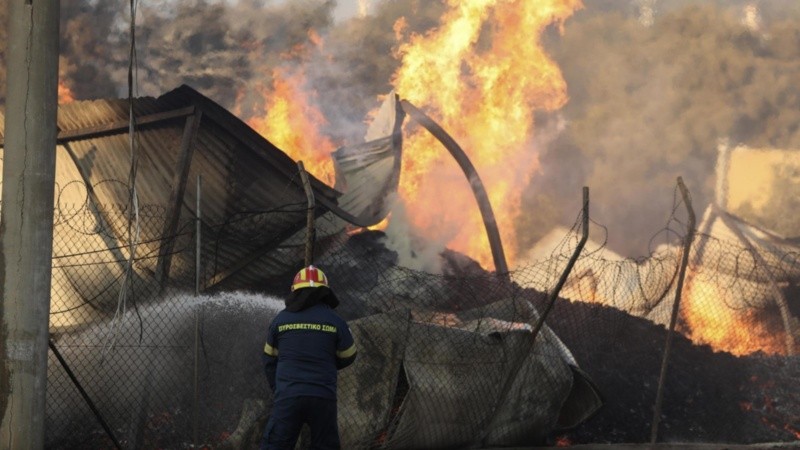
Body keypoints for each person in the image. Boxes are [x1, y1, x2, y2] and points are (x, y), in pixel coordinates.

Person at [260, 265, 357, 450]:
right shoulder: (335, 320)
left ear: (295, 292)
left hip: (288, 396)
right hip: (323, 396)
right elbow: (349, 355)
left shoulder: (280, 320)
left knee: (275, 445)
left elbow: (269, 360)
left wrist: (279, 388)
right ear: (325, 293)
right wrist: (327, 364)